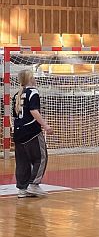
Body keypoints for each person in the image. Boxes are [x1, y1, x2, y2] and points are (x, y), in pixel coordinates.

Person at [12, 70, 53, 198]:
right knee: (41, 158)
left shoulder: (16, 95)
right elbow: (34, 111)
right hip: (31, 131)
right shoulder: (33, 92)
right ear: (30, 79)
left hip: (18, 132)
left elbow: (15, 116)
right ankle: (34, 184)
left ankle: (22, 189)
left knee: (22, 161)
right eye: (33, 77)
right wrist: (45, 125)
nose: (35, 79)